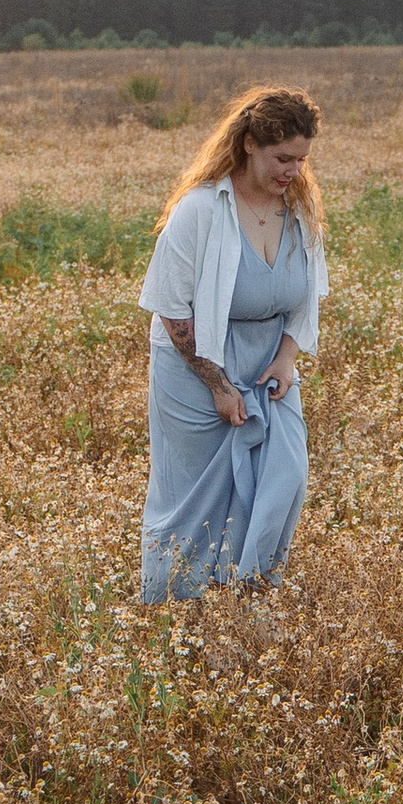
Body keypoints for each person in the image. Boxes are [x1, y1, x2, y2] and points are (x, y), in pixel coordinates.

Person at [136, 87, 327, 604]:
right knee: (196, 499)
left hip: (268, 360)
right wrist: (219, 386)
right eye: (282, 157)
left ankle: (250, 594)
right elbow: (174, 312)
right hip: (195, 366)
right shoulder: (200, 209)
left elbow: (307, 298)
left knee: (285, 476)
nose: (292, 170)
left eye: (301, 159)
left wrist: (286, 360)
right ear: (248, 145)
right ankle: (178, 608)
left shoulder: (301, 211)